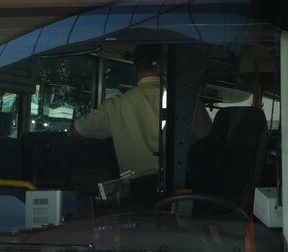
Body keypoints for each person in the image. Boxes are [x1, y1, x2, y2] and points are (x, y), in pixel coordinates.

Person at [71, 43, 211, 182]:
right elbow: (209, 145)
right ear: (163, 66)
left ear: (135, 68)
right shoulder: (187, 103)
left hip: (133, 195)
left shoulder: (114, 106)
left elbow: (76, 131)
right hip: (177, 191)